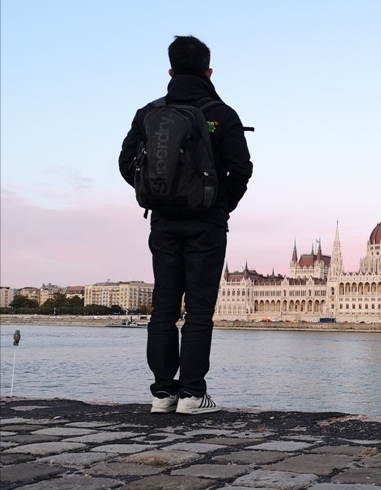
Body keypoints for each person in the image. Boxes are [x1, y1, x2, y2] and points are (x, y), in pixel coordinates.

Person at [118, 35, 253, 415]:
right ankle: (192, 395)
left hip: (162, 222)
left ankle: (162, 395)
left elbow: (126, 163)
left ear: (171, 70)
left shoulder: (149, 111)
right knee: (198, 310)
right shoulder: (222, 114)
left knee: (163, 306)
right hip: (206, 223)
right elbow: (241, 169)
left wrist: (157, 195)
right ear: (209, 71)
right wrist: (218, 204)